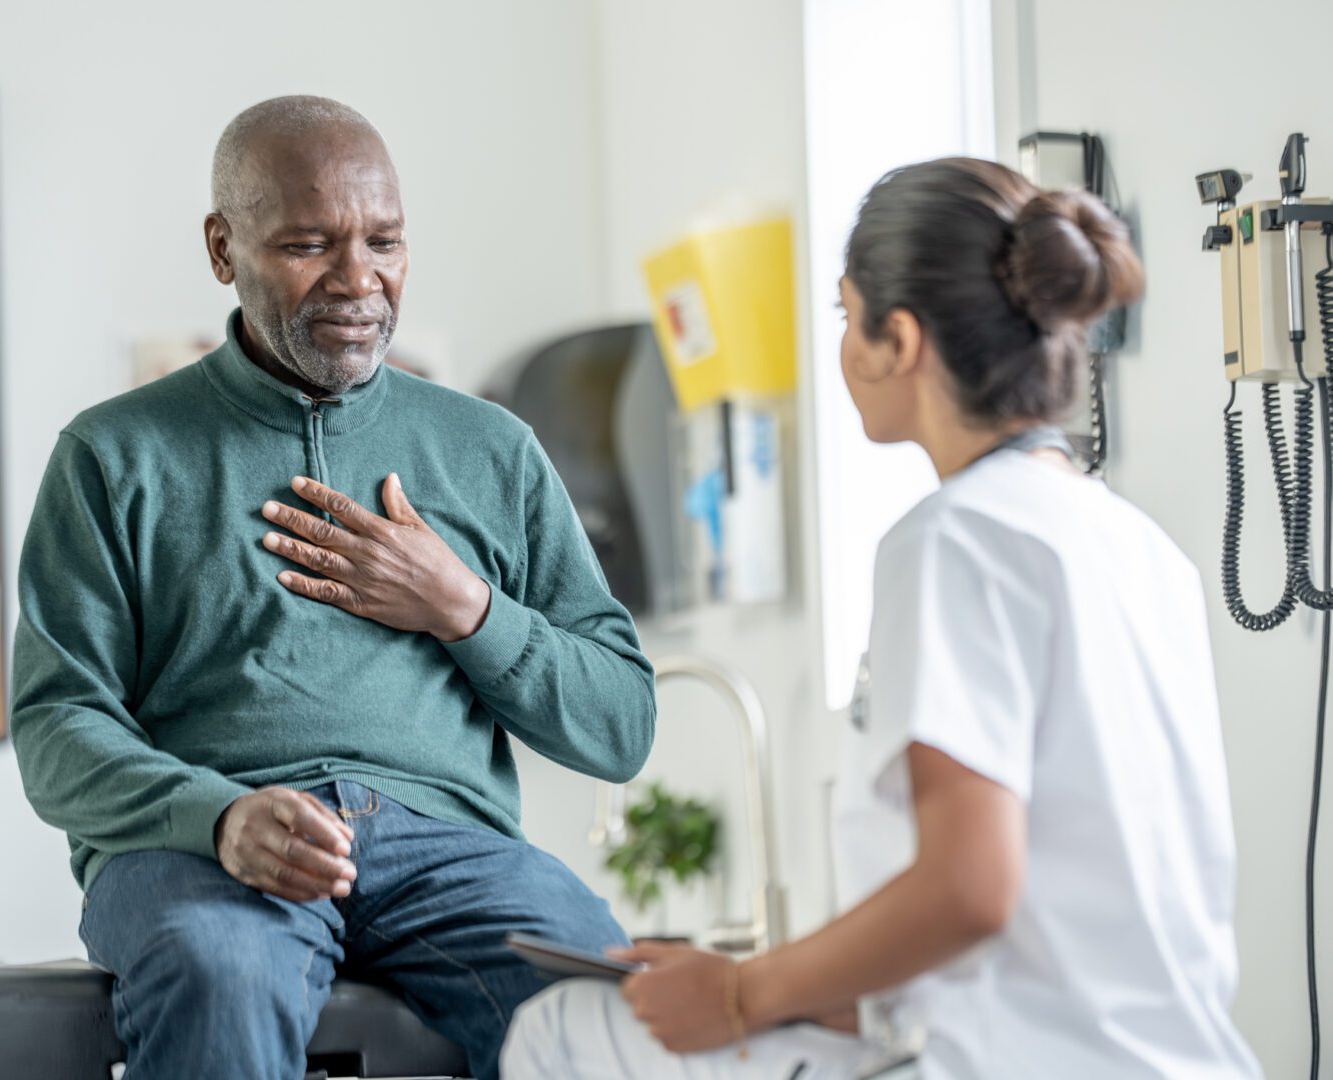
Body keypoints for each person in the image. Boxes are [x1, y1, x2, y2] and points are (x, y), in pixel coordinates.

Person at [501, 157, 1263, 1079]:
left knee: (562, 1030)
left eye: (842, 315)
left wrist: (742, 995)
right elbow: (1043, 925)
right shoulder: (1140, 546)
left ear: (896, 339)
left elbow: (969, 890)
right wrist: (766, 986)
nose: (842, 347)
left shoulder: (956, 539)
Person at [10, 95, 654, 1080]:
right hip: (196, 853)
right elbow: (59, 732)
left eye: (385, 241)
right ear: (223, 248)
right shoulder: (112, 455)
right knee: (218, 974)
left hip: (448, 851)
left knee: (601, 1003)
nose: (360, 281)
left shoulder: (490, 449)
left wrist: (464, 608)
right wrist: (218, 817)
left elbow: (621, 727)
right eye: (310, 244)